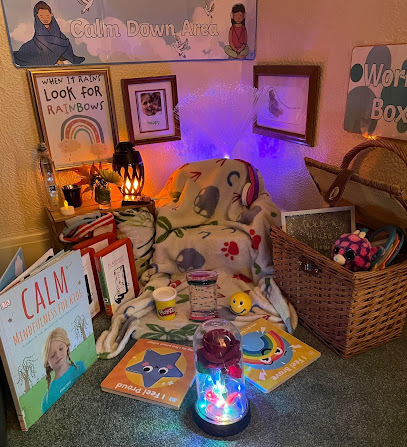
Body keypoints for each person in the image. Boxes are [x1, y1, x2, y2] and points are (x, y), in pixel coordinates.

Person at [13, 2, 85, 67]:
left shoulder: (59, 35)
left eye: (47, 16)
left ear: (51, 15)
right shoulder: (39, 39)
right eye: (41, 16)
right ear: (37, 17)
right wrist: (56, 61)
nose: (45, 19)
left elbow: (64, 46)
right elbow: (43, 52)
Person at [41, 327, 85, 413]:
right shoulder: (47, 400)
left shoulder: (80, 366)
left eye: (61, 349)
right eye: (52, 355)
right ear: (47, 363)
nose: (58, 355)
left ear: (67, 346)